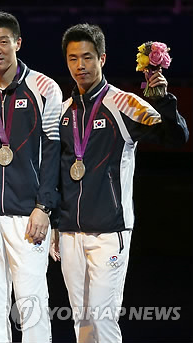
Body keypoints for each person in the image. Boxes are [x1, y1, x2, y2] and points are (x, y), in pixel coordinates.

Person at [51, 23, 189, 343]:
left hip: (109, 232)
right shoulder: (63, 112)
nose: (80, 66)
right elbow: (58, 173)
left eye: (87, 57)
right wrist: (57, 225)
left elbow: (175, 137)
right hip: (71, 232)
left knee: (102, 319)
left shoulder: (124, 104)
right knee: (83, 324)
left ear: (103, 58)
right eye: (73, 59)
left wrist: (164, 99)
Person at [0, 11, 62, 343]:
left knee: (31, 305)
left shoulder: (45, 88)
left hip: (28, 216)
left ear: (18, 43)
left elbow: (53, 152)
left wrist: (44, 207)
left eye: (3, 41)